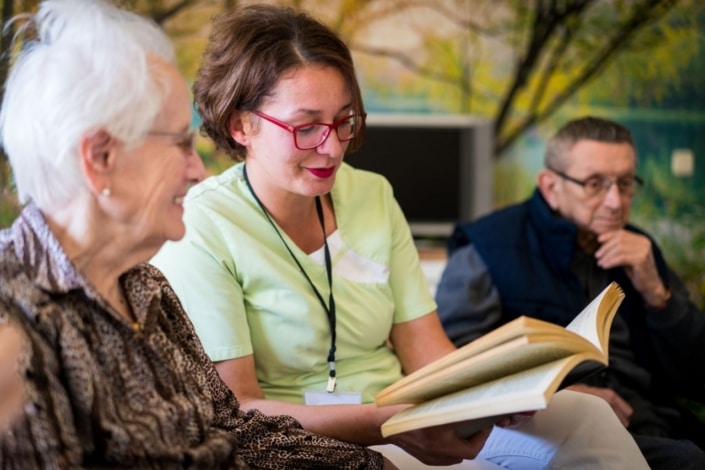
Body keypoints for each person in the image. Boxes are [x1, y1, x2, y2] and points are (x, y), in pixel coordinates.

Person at [151, 5, 648, 469]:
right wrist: (390, 423)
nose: (332, 148)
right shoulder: (205, 225)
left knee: (587, 416)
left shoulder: (371, 195)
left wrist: (515, 389)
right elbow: (239, 409)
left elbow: (428, 353)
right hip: (318, 441)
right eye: (306, 127)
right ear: (242, 126)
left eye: (344, 121)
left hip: (413, 417)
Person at [0, 0, 391, 468]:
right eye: (180, 143)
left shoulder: (145, 285)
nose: (197, 169)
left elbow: (232, 429)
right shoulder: (14, 316)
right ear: (100, 158)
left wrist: (368, 465)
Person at [435, 116, 705, 470]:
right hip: (547, 428)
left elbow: (695, 375)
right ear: (550, 186)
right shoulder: (487, 247)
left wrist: (659, 295)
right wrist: (564, 396)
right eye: (595, 184)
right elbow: (452, 363)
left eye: (625, 184)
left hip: (652, 419)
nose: (614, 202)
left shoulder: (641, 250)